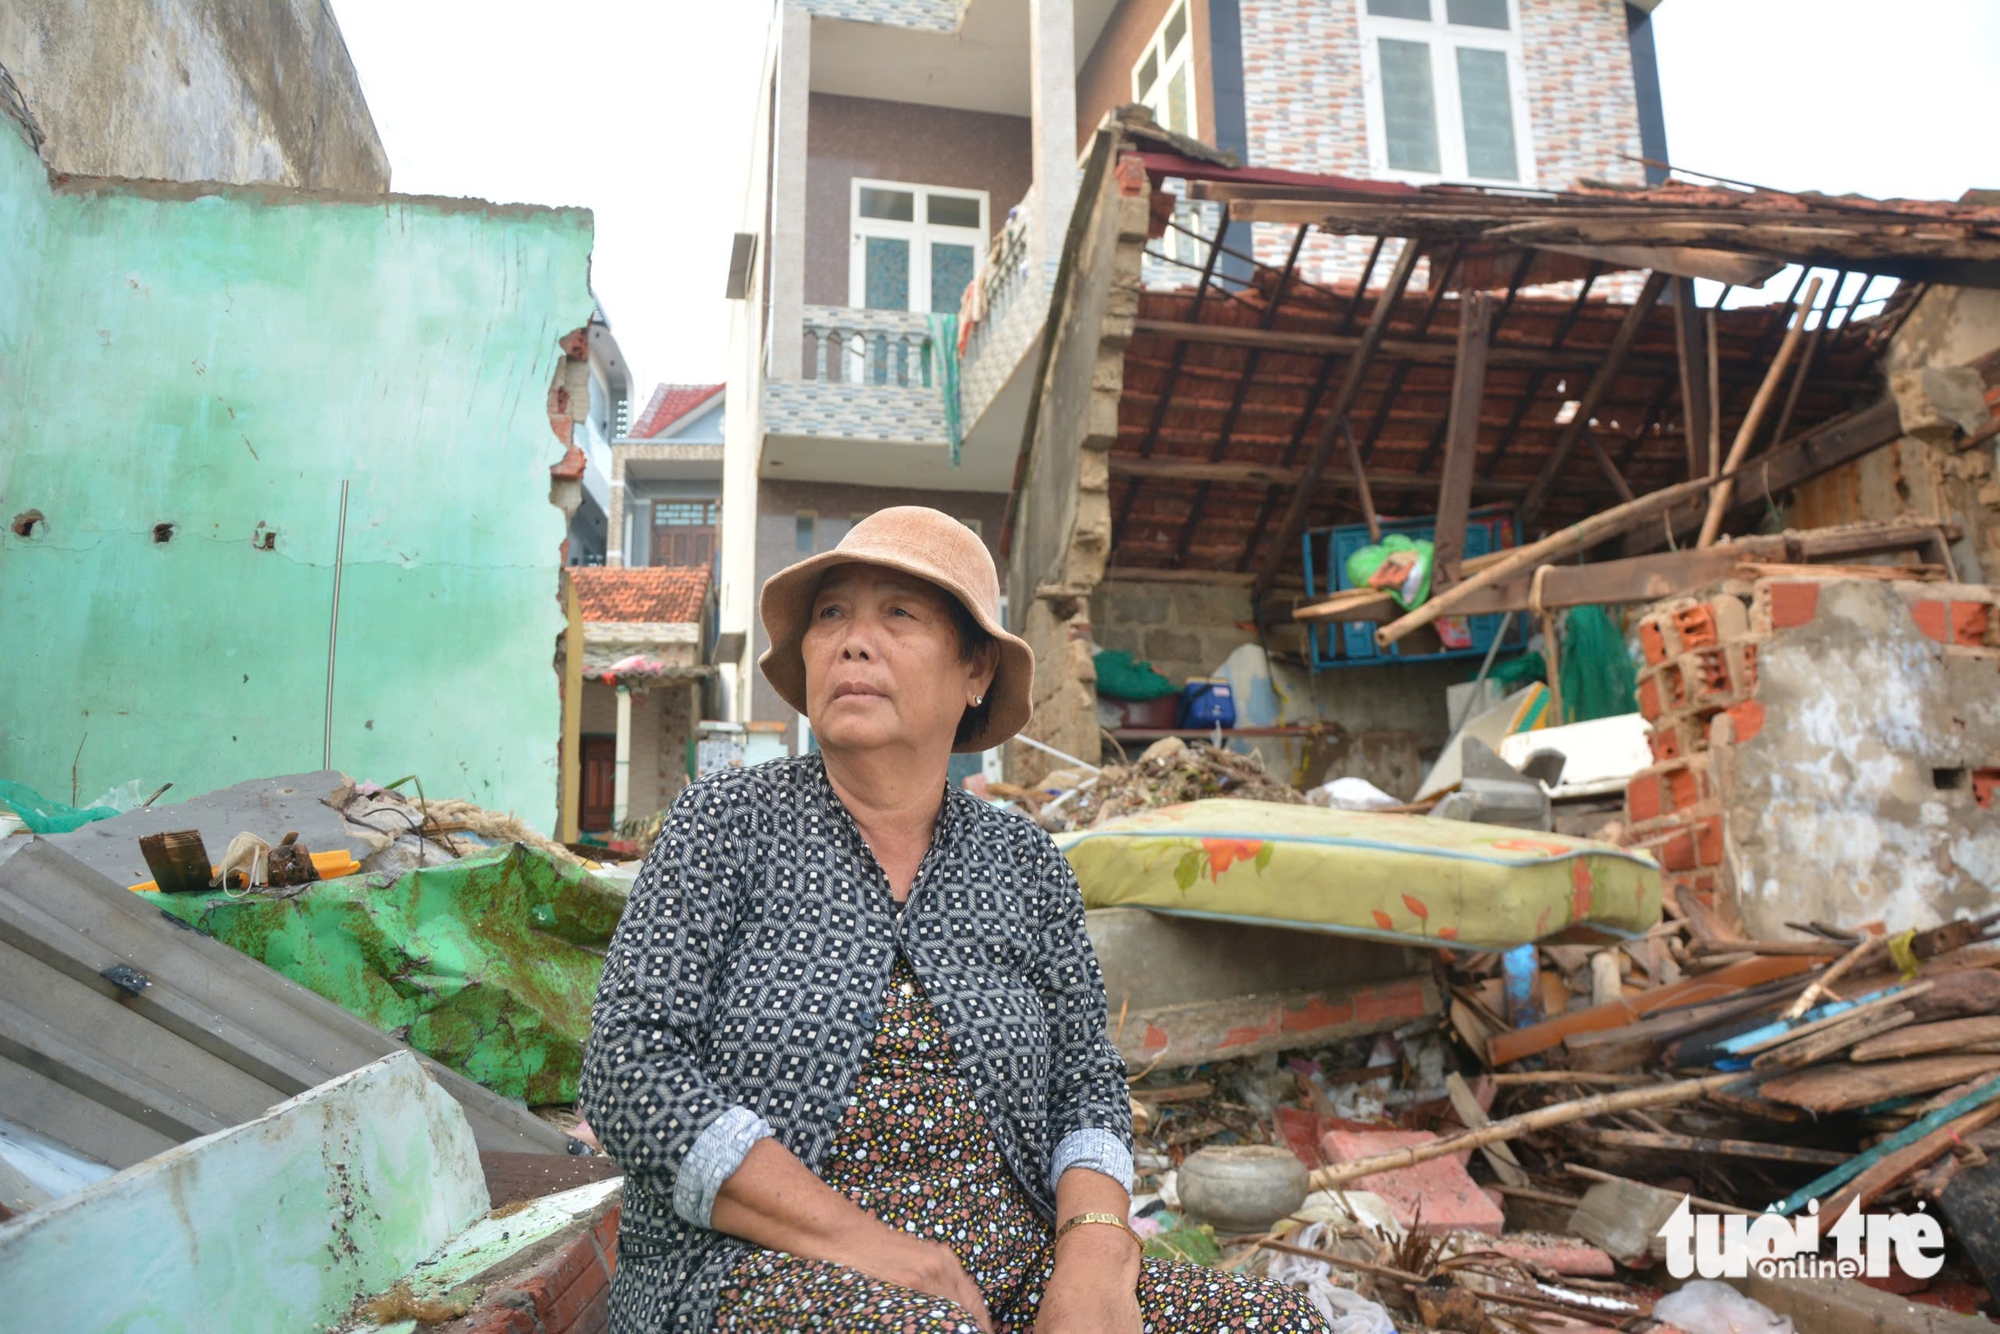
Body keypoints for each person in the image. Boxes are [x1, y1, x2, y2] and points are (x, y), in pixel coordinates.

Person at [580, 506, 1327, 1333]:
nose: (852, 641)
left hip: (1009, 1263)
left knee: (1279, 1323)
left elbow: (1089, 1087)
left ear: (975, 673)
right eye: (832, 615)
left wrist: (1094, 1256)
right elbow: (627, 1068)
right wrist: (870, 1246)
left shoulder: (1024, 860)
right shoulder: (728, 822)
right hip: (750, 1268)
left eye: (898, 613)